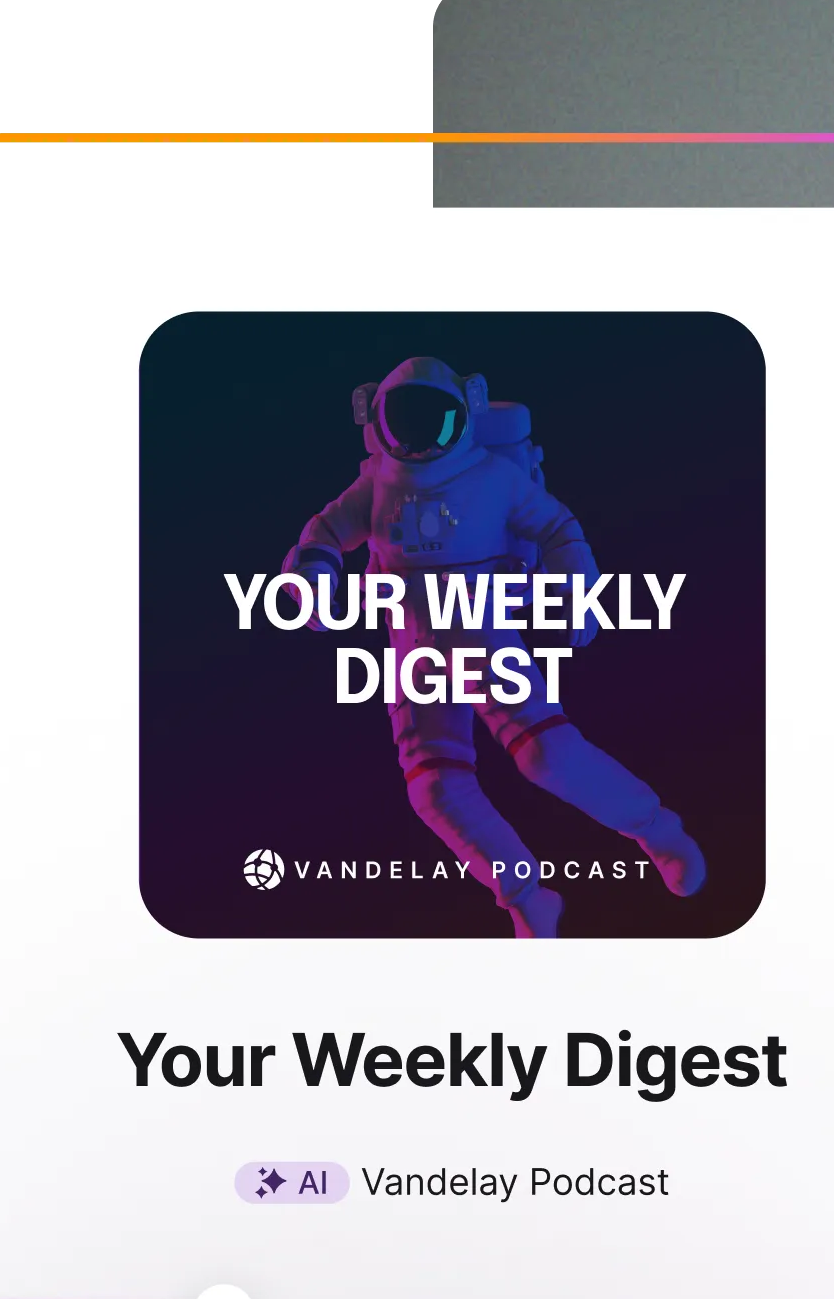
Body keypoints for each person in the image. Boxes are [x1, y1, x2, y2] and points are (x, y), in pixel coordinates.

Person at [285, 355, 708, 937]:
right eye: (405, 420)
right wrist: (312, 581)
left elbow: (557, 528)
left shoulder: (493, 477)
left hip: (480, 632)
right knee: (434, 785)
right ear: (377, 421)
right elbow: (323, 536)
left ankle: (656, 829)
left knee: (546, 756)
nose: (420, 438)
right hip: (412, 645)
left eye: (433, 420)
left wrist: (576, 590)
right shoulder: (374, 487)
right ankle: (525, 895)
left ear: (463, 416)